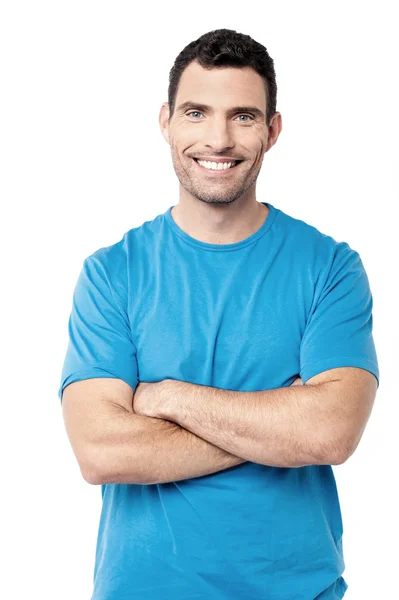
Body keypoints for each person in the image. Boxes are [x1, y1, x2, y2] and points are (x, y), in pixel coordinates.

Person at [58, 28, 379, 600]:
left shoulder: (330, 268)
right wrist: (280, 424)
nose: (218, 138)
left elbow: (330, 433)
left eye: (244, 116)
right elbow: (101, 451)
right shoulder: (112, 274)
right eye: (197, 112)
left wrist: (167, 399)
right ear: (166, 122)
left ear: (273, 130)